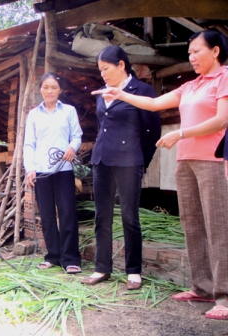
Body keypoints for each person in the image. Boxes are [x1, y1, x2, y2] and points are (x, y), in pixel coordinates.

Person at [92, 31, 228, 320]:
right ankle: (201, 287)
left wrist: (179, 133)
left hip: (211, 160)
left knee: (216, 225)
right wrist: (120, 93)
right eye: (189, 53)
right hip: (185, 160)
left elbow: (221, 120)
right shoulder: (190, 86)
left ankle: (224, 295)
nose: (191, 57)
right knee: (191, 224)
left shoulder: (224, 77)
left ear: (215, 51)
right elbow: (153, 104)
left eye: (196, 52)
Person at [80, 45, 161, 290]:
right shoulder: (101, 92)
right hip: (102, 159)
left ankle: (133, 271)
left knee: (129, 216)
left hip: (129, 161)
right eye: (100, 69)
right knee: (102, 216)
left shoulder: (143, 91)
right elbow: (102, 126)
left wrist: (140, 161)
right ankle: (102, 267)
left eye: (106, 68)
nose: (102, 74)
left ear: (122, 65)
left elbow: (152, 131)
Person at [23, 72, 83, 274]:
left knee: (67, 213)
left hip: (63, 170)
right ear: (40, 89)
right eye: (46, 87)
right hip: (41, 171)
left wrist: (72, 147)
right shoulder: (33, 114)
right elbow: (29, 144)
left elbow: (77, 135)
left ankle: (70, 259)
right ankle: (53, 257)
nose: (49, 91)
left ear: (60, 90)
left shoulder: (69, 111)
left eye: (54, 87)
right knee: (47, 216)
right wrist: (29, 168)